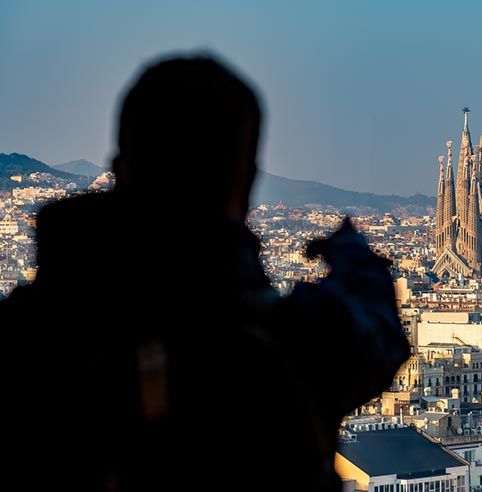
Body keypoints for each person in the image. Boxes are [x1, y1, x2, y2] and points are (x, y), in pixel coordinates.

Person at [0, 55, 409, 491]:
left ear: (120, 169)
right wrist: (355, 258)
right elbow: (374, 338)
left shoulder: (24, 338)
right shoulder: (275, 345)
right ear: (247, 180)